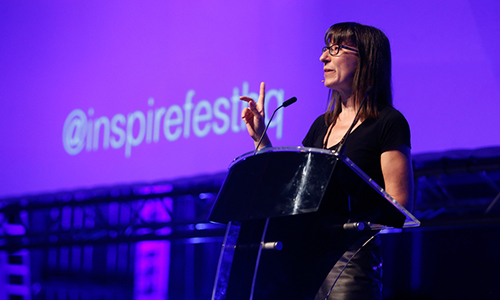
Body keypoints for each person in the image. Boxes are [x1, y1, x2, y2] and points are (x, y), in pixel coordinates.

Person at [240, 22, 413, 299]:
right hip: (304, 260)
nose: (323, 57)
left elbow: (399, 203)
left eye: (335, 49)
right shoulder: (322, 125)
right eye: (325, 49)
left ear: (366, 58)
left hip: (349, 262)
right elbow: (294, 190)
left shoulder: (388, 123)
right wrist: (261, 138)